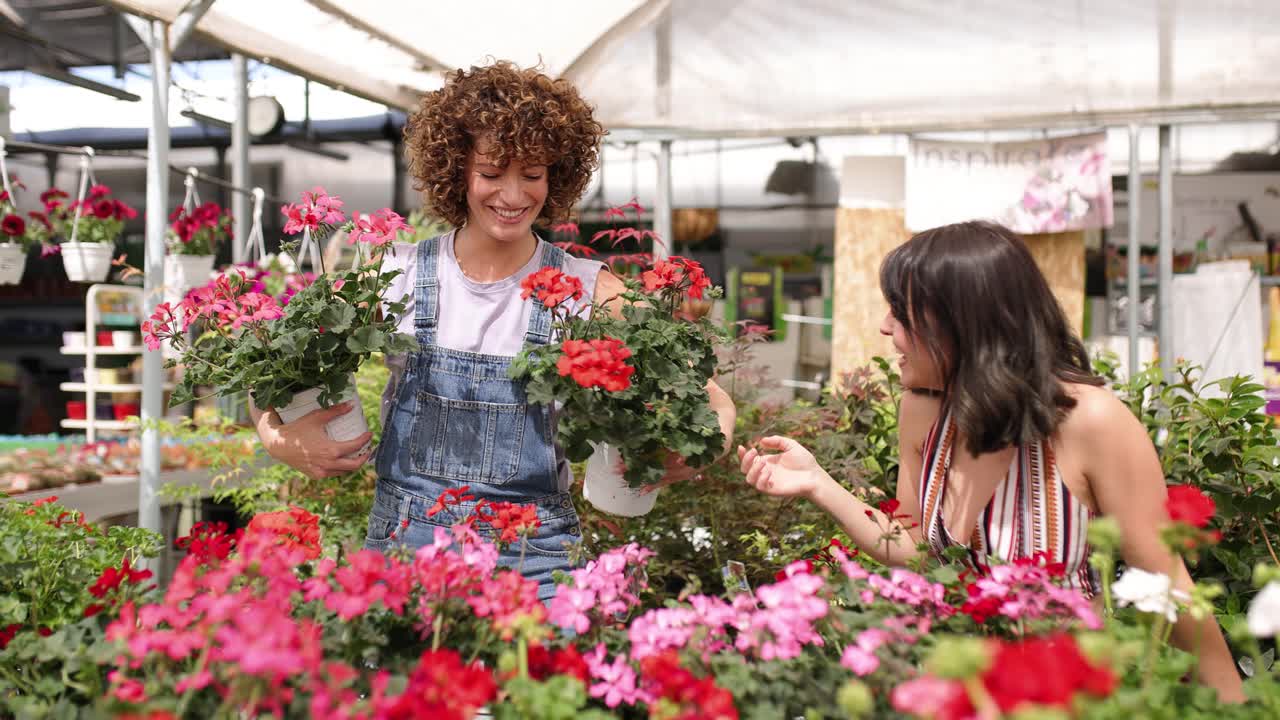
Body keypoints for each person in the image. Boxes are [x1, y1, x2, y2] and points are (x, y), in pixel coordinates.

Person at [251, 62, 735, 600]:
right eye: (491, 173)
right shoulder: (400, 273)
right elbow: (273, 368)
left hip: (536, 554)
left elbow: (712, 403)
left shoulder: (585, 288)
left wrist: (680, 457)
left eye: (532, 175)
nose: (512, 194)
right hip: (406, 541)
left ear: (557, 177)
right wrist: (278, 438)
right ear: (456, 170)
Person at [737, 220, 1244, 702]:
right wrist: (818, 483)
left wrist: (1235, 708)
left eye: (900, 309)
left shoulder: (1091, 421)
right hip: (954, 694)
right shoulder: (924, 408)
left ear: (963, 320)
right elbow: (913, 545)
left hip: (1064, 698)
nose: (884, 325)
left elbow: (1166, 586)